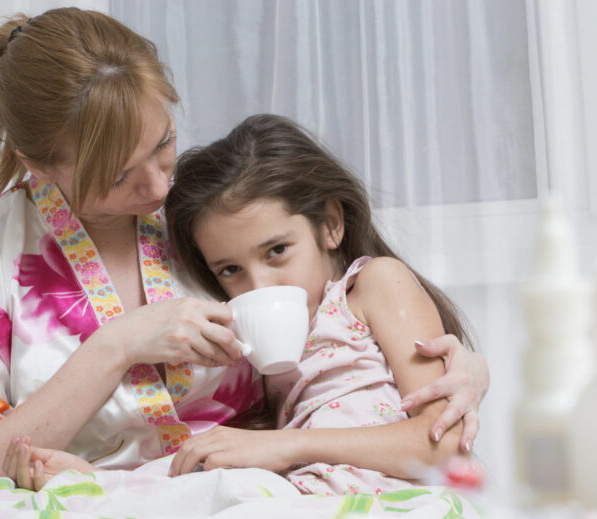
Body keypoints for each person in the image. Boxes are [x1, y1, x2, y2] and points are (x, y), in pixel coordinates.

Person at [0, 8, 488, 494]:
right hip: (117, 518)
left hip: (270, 495)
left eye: (164, 143)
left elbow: (344, 332)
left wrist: (467, 368)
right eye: (119, 175)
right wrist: (117, 346)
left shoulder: (207, 216)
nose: (156, 188)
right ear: (38, 164)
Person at [162, 114, 481, 492]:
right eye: (231, 269)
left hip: (390, 503)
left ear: (330, 223)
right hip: (309, 499)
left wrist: (286, 445)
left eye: (277, 250)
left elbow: (445, 444)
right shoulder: (252, 342)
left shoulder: (374, 284)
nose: (258, 285)